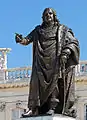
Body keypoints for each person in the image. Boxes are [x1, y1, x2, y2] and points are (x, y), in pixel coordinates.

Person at [15, 8, 80, 118]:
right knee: (36, 84)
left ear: (54, 16)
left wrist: (66, 52)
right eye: (45, 14)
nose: (48, 15)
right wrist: (20, 40)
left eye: (50, 13)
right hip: (40, 61)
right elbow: (27, 40)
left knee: (54, 84)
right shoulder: (38, 30)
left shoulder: (62, 29)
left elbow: (73, 42)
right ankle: (33, 108)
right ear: (43, 17)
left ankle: (52, 107)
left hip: (55, 59)